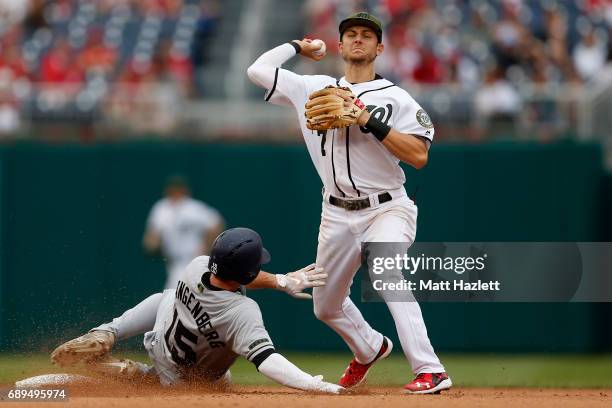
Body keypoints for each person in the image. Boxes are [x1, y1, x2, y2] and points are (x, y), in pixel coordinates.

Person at [247, 12, 451, 394]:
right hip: (336, 212)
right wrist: (296, 46)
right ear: (340, 46)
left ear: (380, 47)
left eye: (367, 35)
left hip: (387, 206)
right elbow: (257, 70)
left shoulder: (398, 98)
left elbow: (419, 156)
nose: (359, 39)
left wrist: (366, 120)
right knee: (324, 305)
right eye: (351, 34)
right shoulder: (313, 86)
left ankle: (431, 370)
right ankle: (370, 347)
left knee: (388, 274)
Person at [51, 227, 342, 394]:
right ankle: (134, 372)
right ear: (248, 271)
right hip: (183, 378)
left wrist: (281, 280)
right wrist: (311, 384)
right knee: (216, 385)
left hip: (161, 339)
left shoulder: (196, 267)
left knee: (165, 296)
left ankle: (108, 331)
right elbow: (267, 361)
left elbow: (242, 276)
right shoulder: (243, 312)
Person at [143, 175, 224, 289]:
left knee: (173, 292)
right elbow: (152, 238)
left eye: (178, 188)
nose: (175, 191)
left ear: (184, 190)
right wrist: (152, 243)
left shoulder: (193, 207)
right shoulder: (161, 208)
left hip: (192, 259)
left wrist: (206, 248)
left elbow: (216, 223)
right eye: (173, 188)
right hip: (173, 262)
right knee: (187, 293)